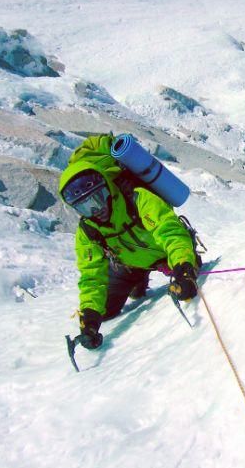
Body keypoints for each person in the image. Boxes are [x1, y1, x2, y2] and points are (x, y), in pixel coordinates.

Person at [57, 135, 200, 350]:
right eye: (86, 206)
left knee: (187, 278)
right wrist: (90, 320)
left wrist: (183, 268)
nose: (97, 209)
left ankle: (180, 264)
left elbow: (170, 232)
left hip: (165, 254)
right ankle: (138, 280)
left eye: (98, 197)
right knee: (105, 312)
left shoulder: (137, 197)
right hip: (128, 263)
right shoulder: (87, 230)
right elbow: (91, 275)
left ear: (107, 186)